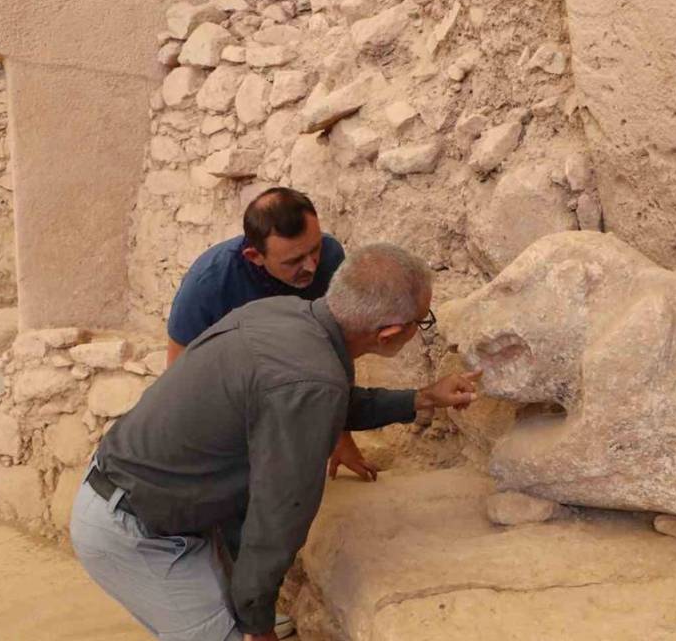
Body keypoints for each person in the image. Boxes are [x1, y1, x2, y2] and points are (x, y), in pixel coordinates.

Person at [70, 244, 481, 641]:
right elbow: (278, 516)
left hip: (131, 498)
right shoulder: (311, 378)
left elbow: (317, 401)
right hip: (137, 532)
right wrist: (257, 623)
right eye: (421, 322)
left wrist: (423, 398)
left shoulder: (283, 314)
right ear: (389, 333)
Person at [167, 187, 378, 483]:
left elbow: (335, 353)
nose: (311, 266)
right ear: (254, 256)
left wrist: (341, 438)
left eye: (314, 249)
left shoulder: (330, 257)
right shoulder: (209, 282)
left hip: (288, 374)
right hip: (227, 386)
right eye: (293, 261)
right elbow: (178, 375)